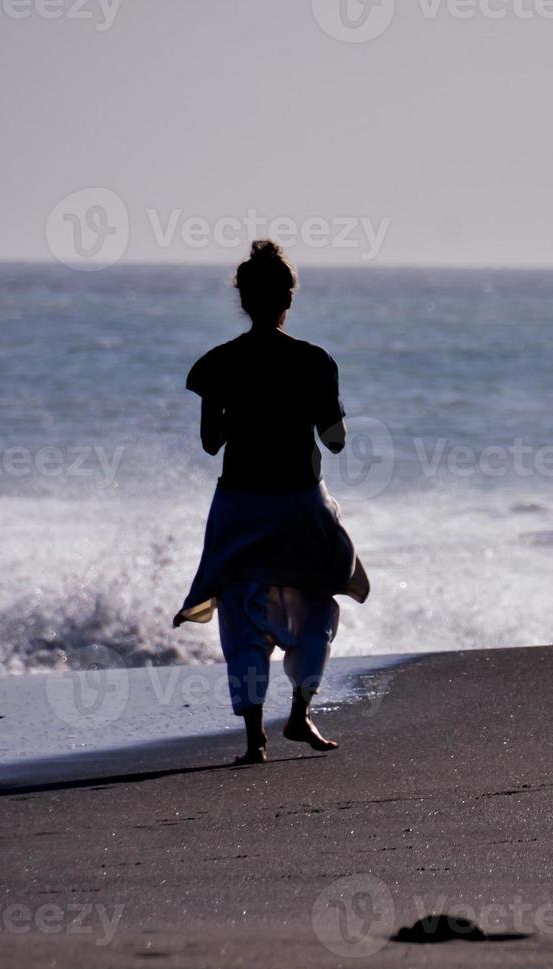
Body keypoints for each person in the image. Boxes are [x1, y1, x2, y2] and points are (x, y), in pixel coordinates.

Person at [173, 240, 370, 765]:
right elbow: (335, 441)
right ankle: (301, 711)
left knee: (238, 608)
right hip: (298, 501)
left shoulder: (218, 363)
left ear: (243, 298)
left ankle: (254, 738)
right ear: (289, 298)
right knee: (318, 599)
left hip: (239, 502)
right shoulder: (313, 361)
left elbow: (211, 442)